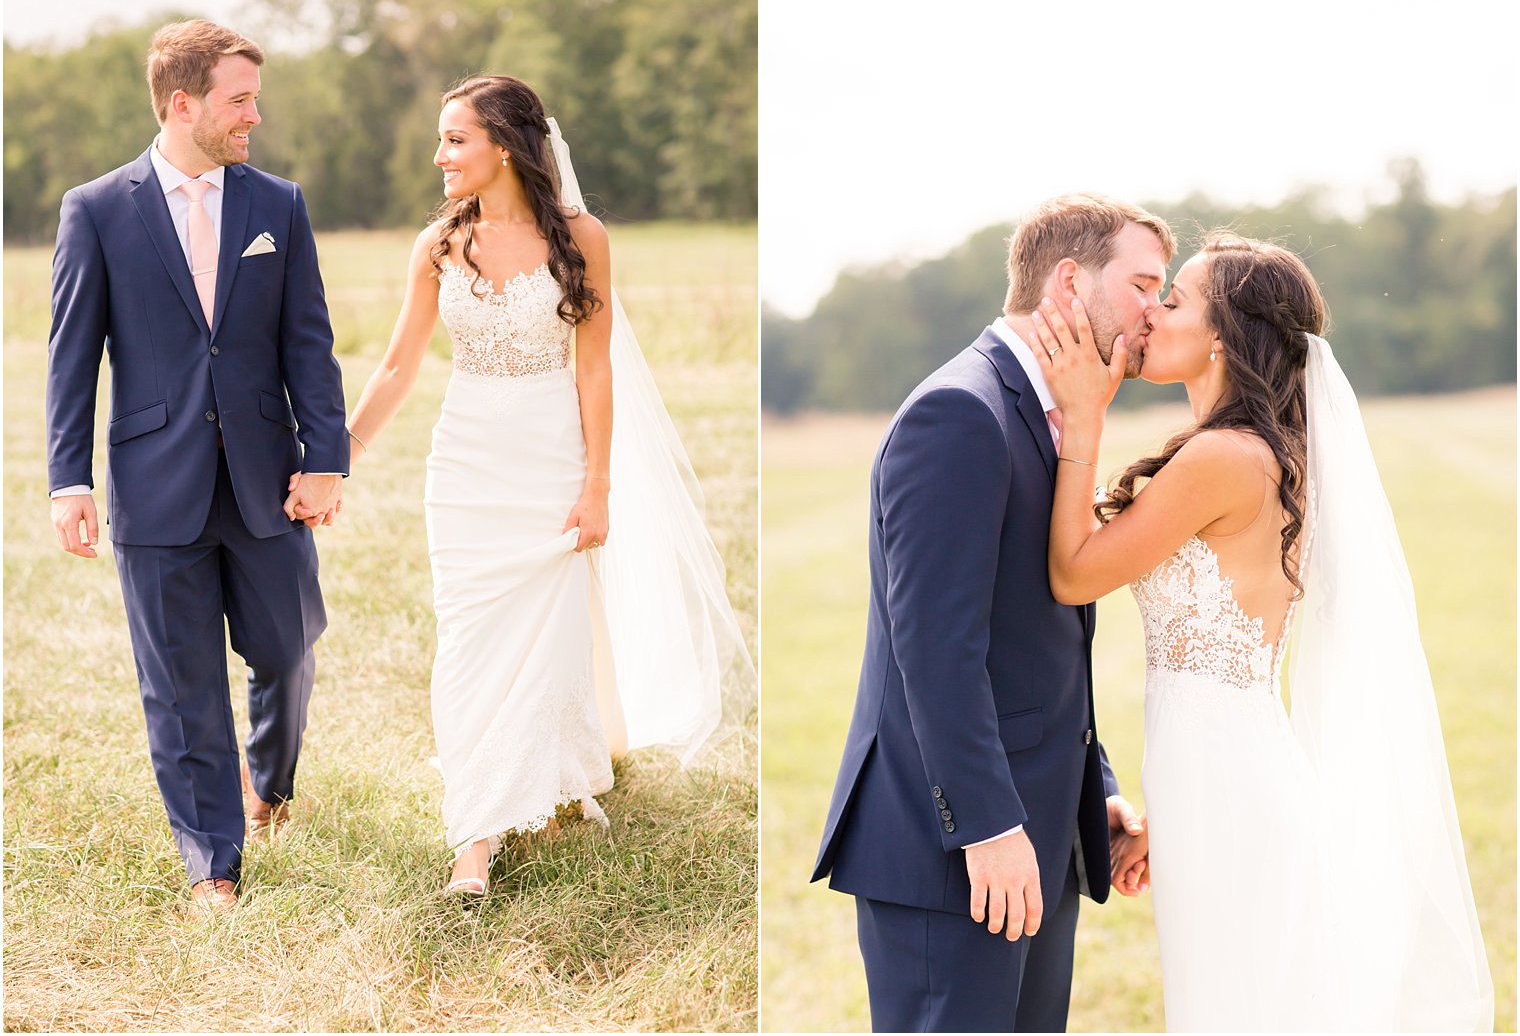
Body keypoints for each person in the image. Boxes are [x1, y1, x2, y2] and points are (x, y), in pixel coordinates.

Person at [1030, 231, 1493, 1030]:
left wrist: (1082, 416)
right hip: (1212, 782)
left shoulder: (1226, 458)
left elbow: (1073, 572)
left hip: (1229, 790)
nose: (1149, 314)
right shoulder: (1250, 450)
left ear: (1219, 335)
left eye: (1172, 301)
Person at [343, 74, 753, 896]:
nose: (439, 156)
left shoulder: (583, 236)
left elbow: (593, 367)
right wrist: (338, 454)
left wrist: (598, 483)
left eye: (455, 139)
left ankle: (527, 799)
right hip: (463, 466)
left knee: (551, 637)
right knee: (468, 641)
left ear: (504, 144)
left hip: (551, 460)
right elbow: (397, 364)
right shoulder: (436, 246)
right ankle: (477, 828)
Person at [812, 194, 1169, 1032]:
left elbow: (1031, 643)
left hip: (1033, 833)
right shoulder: (961, 411)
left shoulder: (1050, 415)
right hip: (958, 858)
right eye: (1145, 284)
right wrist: (986, 827)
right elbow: (934, 650)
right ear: (1071, 281)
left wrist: (1096, 789)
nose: (1156, 310)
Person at [45, 20, 347, 915]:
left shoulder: (277, 205)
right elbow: (71, 355)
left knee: (288, 653)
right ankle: (213, 866)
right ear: (183, 104)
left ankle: (270, 784)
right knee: (180, 688)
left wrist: (324, 458)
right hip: (154, 484)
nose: (255, 115)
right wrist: (69, 481)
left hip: (268, 480)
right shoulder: (96, 209)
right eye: (239, 99)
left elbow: (309, 343)